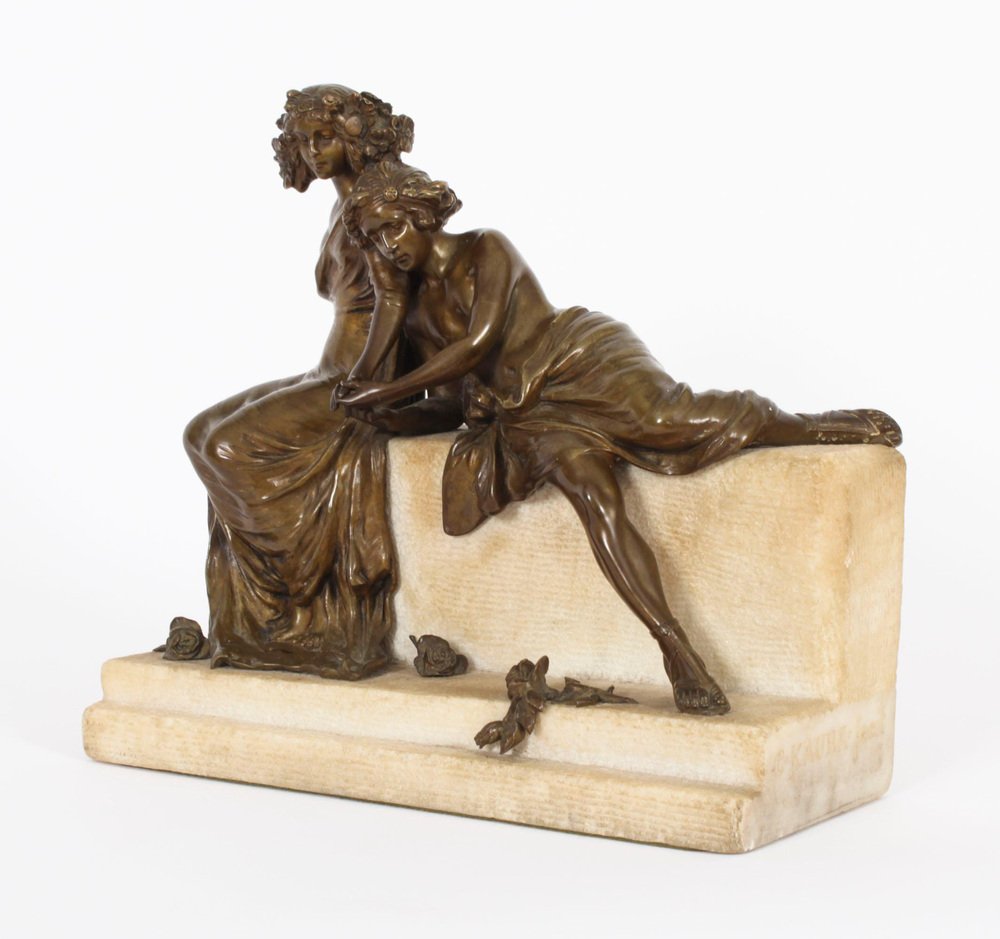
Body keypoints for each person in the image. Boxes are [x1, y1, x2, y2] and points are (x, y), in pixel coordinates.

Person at [336, 161, 902, 715]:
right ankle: (676, 649)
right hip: (529, 414)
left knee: (675, 421)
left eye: (394, 227)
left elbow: (478, 343)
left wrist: (383, 393)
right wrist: (385, 392)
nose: (389, 246)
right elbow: (438, 398)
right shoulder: (414, 314)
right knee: (595, 499)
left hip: (576, 357)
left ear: (422, 213)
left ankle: (817, 425)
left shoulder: (485, 248)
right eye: (375, 239)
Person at [183, 87, 458, 679]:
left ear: (358, 136)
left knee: (228, 448)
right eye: (304, 140)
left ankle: (297, 585)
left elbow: (397, 298)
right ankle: (276, 591)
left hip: (365, 374)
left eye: (326, 136)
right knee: (200, 433)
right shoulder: (343, 203)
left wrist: (369, 386)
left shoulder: (383, 195)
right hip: (329, 368)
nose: (313, 150)